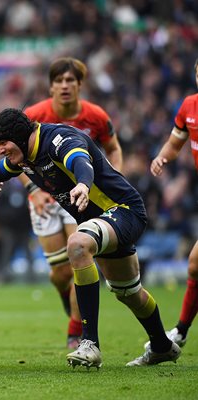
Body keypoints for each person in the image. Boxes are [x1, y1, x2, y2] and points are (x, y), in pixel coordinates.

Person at [0, 107, 180, 369]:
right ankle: (162, 346)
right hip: (101, 222)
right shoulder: (25, 157)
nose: (0, 150)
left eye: (2, 143)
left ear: (19, 135)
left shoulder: (57, 140)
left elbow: (79, 159)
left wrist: (83, 184)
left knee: (77, 244)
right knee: (128, 293)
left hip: (123, 210)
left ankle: (89, 344)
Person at [21, 57, 123, 349]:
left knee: (79, 257)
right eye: (59, 81)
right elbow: (14, 157)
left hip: (81, 195)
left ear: (80, 85)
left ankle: (75, 329)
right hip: (45, 196)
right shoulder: (34, 115)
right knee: (60, 273)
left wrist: (114, 178)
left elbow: (114, 148)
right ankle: (70, 303)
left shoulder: (96, 116)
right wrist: (33, 189)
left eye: (70, 81)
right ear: (50, 86)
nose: (64, 86)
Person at [150, 58, 198, 348]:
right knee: (194, 267)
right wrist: (162, 157)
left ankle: (180, 331)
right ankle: (180, 331)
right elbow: (176, 142)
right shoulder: (189, 106)